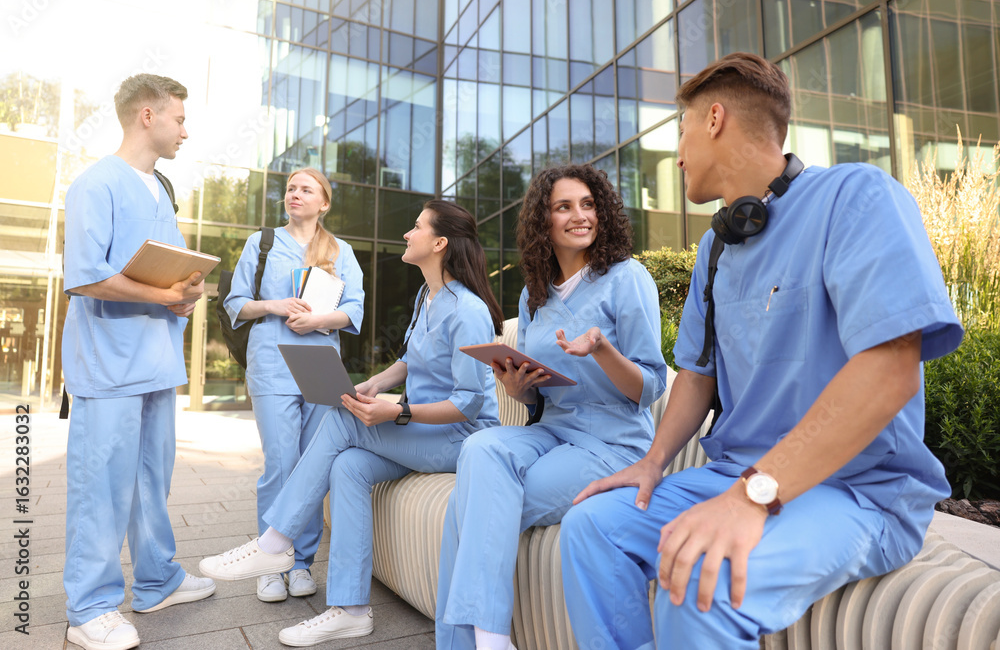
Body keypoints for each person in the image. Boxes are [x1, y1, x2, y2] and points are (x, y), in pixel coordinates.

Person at [559, 52, 965, 649]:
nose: (676, 153)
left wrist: (753, 494)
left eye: (681, 130)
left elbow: (890, 375)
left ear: (715, 118)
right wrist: (652, 462)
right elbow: (695, 377)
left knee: (704, 580)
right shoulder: (713, 250)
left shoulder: (857, 196)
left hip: (855, 491)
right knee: (592, 528)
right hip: (729, 474)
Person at [200, 199, 505, 645]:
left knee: (342, 424)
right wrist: (374, 385)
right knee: (348, 467)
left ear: (439, 243)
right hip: (424, 431)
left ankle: (275, 542)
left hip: (460, 437)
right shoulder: (427, 295)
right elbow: (409, 361)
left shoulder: (469, 310)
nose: (406, 233)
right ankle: (351, 609)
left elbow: (469, 404)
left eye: (416, 227)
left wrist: (396, 410)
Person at [435, 164, 668, 650]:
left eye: (588, 205)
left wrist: (602, 348)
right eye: (564, 207)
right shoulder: (533, 293)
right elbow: (540, 397)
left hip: (612, 444)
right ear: (544, 221)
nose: (579, 216)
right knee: (481, 447)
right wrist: (519, 389)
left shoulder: (627, 278)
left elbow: (650, 387)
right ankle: (489, 638)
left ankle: (481, 641)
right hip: (552, 432)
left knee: (466, 506)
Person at [62, 74, 216, 650]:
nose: (185, 130)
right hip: (109, 365)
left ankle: (157, 581)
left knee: (152, 480)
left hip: (155, 360)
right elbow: (85, 277)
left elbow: (165, 270)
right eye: (179, 118)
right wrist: (163, 297)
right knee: (101, 485)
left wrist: (187, 291)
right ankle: (89, 609)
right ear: (146, 116)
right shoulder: (95, 185)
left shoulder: (162, 189)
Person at [222, 167, 365, 603]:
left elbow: (355, 308)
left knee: (312, 465)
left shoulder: (340, 250)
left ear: (323, 202)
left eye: (306, 189)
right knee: (281, 463)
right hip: (272, 363)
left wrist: (320, 319)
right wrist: (274, 305)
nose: (295, 194)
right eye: (290, 189)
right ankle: (271, 563)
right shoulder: (261, 243)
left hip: (321, 365)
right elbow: (235, 303)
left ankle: (300, 562)